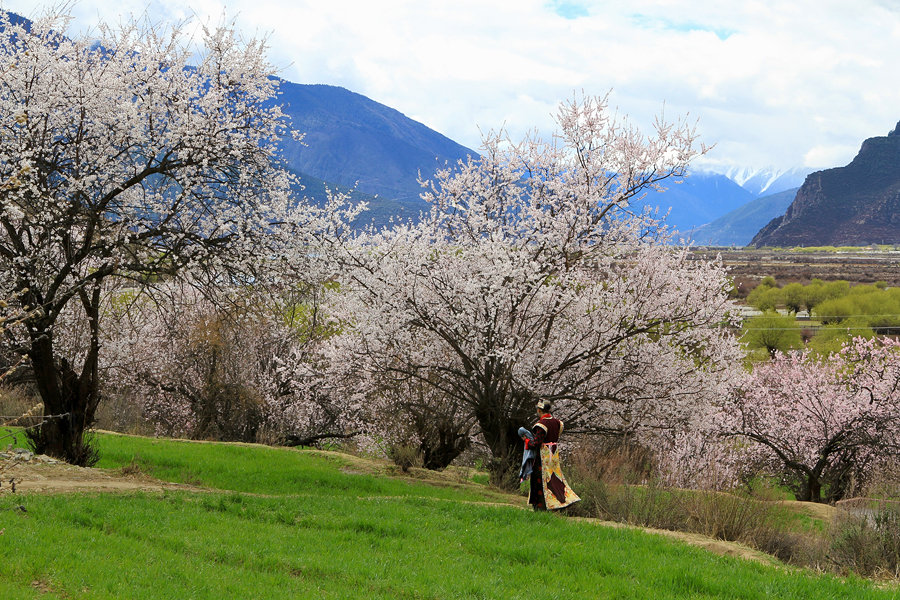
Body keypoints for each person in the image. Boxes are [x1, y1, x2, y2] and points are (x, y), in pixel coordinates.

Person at [520, 399, 580, 511]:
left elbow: (536, 443)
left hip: (542, 457)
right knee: (555, 478)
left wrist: (527, 440)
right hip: (554, 455)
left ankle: (541, 506)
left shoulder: (541, 425)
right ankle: (561, 501)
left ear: (539, 410)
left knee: (540, 479)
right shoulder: (558, 423)